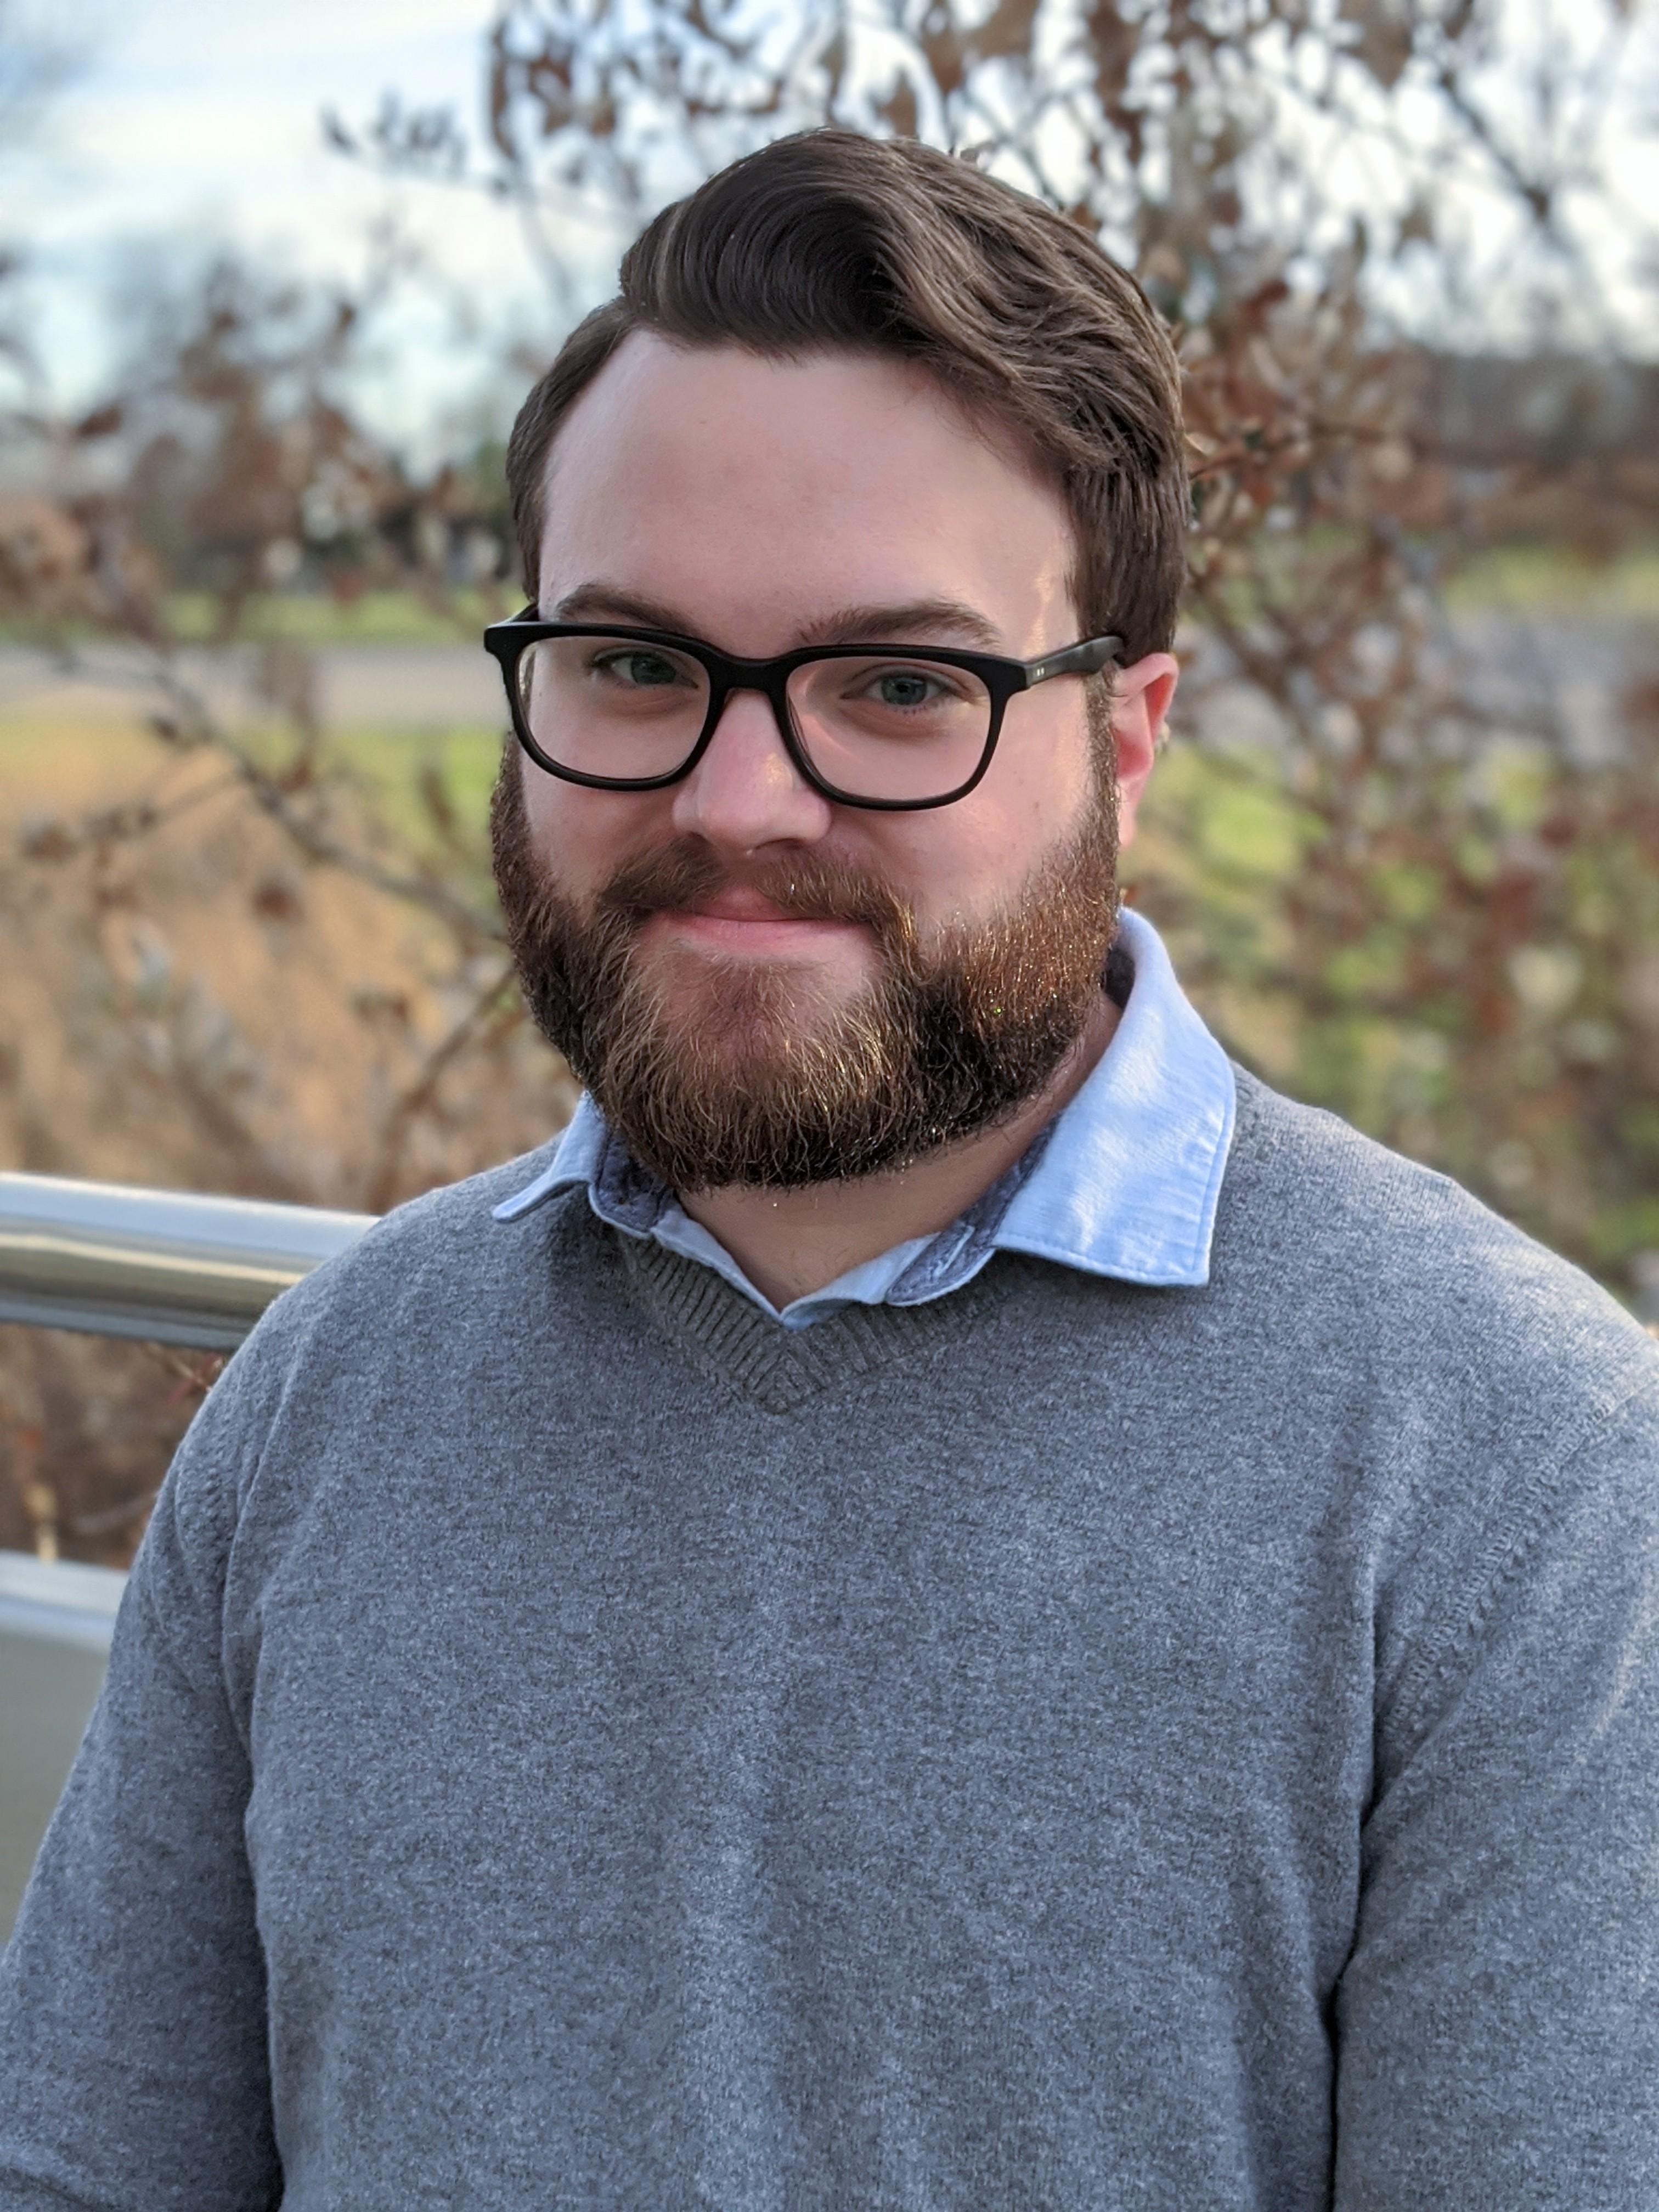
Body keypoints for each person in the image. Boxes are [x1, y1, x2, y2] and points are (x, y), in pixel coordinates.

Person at [2, 127, 1655, 2212]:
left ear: (1127, 740)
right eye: (635, 664)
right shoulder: (325, 1412)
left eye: (898, 687)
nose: (739, 791)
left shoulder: (1515, 1479)